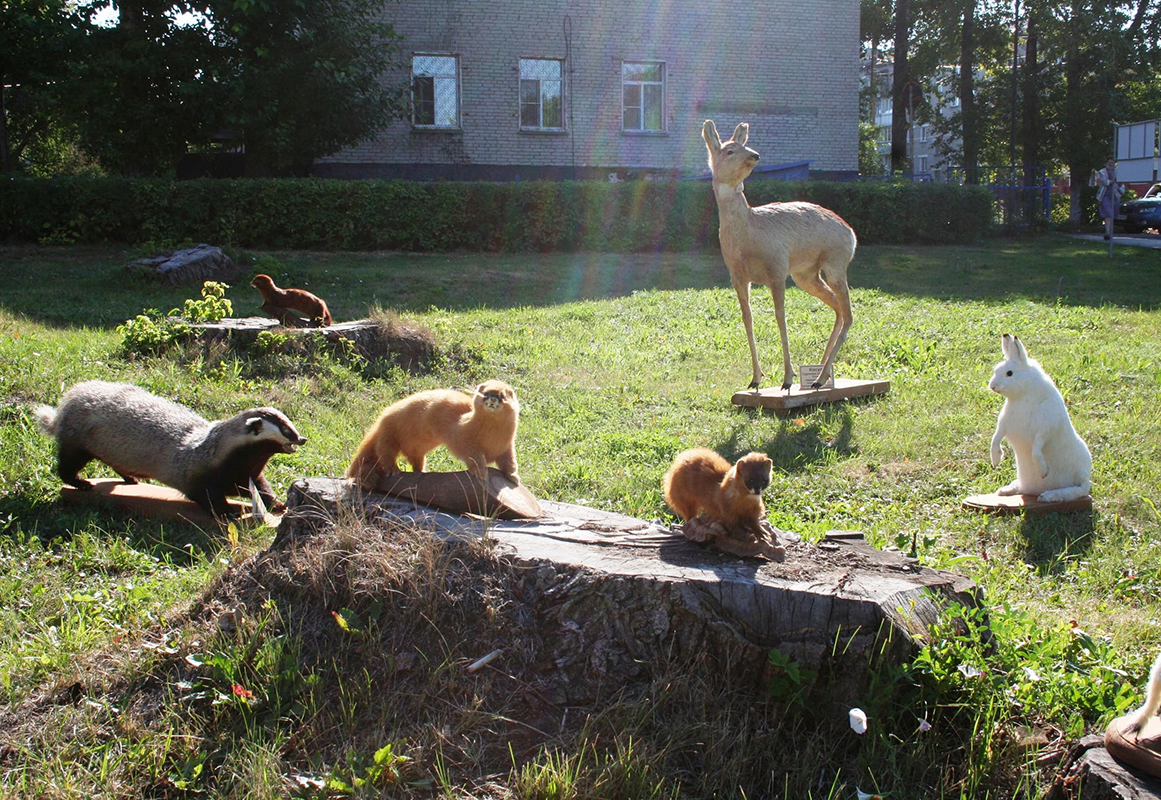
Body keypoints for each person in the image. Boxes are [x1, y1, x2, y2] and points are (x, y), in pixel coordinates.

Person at [1096, 156, 1124, 240]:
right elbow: (1105, 182)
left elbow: (1121, 182)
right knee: (1108, 213)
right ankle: (1107, 232)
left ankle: (1110, 232)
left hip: (1115, 196)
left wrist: (1117, 184)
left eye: (1112, 163)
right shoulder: (1102, 172)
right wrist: (1114, 181)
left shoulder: (1117, 171)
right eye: (1109, 163)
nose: (1110, 164)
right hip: (1105, 195)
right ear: (1106, 163)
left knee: (1114, 214)